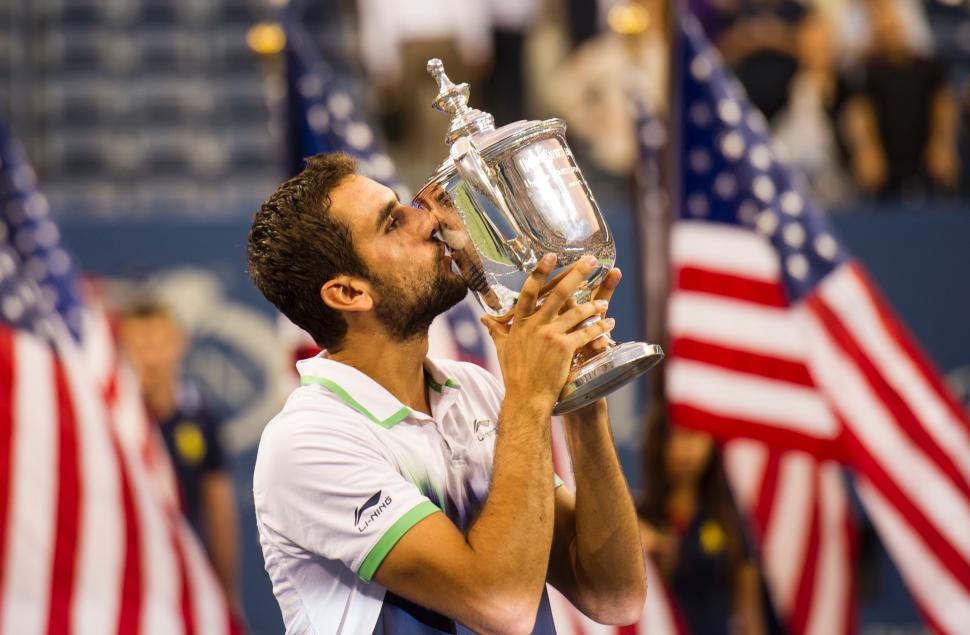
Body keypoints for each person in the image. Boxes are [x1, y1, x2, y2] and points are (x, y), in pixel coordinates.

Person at [247, 152, 646, 634]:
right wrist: (528, 395)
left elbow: (615, 596)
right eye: (392, 222)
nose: (428, 218)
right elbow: (502, 606)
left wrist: (580, 388)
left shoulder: (473, 390)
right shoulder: (309, 441)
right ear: (349, 294)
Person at [118, 301, 241, 606]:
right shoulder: (112, 420)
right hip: (128, 577)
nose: (151, 357)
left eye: (159, 343)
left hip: (189, 577)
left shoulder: (202, 419)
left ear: (179, 344)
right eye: (140, 345)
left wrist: (227, 594)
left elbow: (219, 509)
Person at [638, 414, 772, 635]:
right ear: (658, 443)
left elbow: (749, 614)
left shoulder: (731, 520)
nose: (684, 449)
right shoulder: (637, 520)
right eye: (674, 436)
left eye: (692, 435)